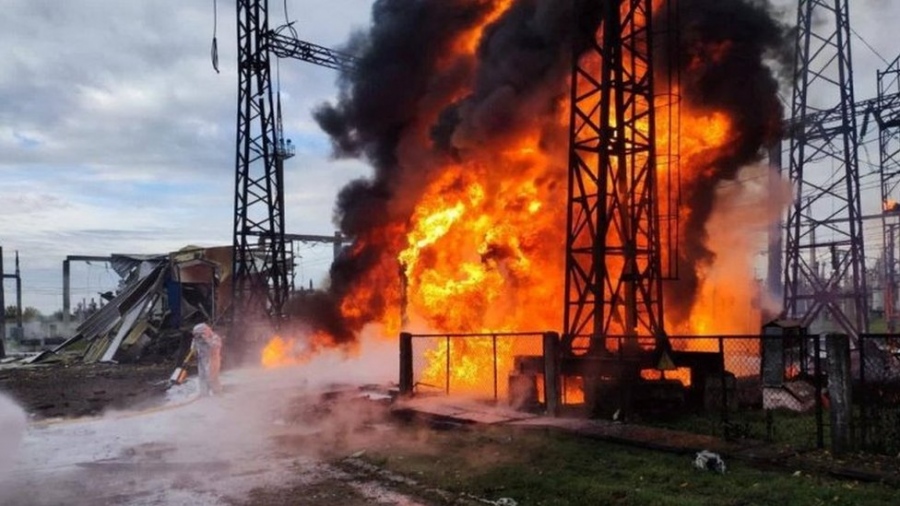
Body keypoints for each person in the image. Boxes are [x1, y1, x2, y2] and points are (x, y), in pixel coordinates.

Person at [191, 322, 223, 396]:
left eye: (199, 334)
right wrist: (194, 349)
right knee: (202, 376)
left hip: (212, 359)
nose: (198, 336)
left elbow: (216, 346)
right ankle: (204, 393)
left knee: (211, 376)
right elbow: (193, 348)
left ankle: (217, 392)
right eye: (196, 334)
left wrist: (207, 339)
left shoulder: (214, 337)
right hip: (201, 359)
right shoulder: (197, 339)